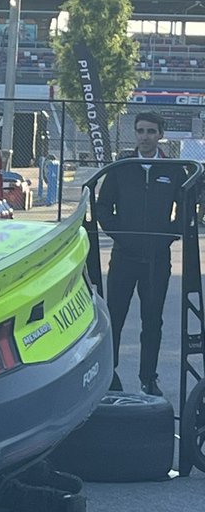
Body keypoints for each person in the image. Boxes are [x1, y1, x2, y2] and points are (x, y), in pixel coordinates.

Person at [96, 114, 182, 396]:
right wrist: (124, 238)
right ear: (135, 133)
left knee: (152, 320)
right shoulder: (122, 168)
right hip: (124, 258)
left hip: (157, 261)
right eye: (140, 131)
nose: (145, 136)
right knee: (115, 317)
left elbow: (184, 212)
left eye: (151, 131)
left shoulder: (174, 170)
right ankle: (110, 375)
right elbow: (104, 208)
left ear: (161, 135)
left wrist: (164, 239)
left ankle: (148, 377)